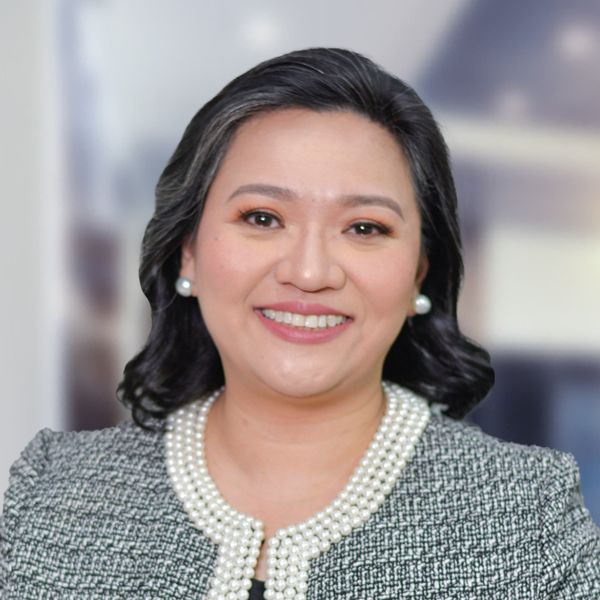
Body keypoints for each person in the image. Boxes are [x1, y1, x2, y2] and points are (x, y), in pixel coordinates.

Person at [1, 48, 599, 600]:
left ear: (419, 272)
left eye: (364, 227)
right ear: (187, 252)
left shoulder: (527, 516)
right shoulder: (51, 491)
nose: (310, 273)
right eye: (262, 218)